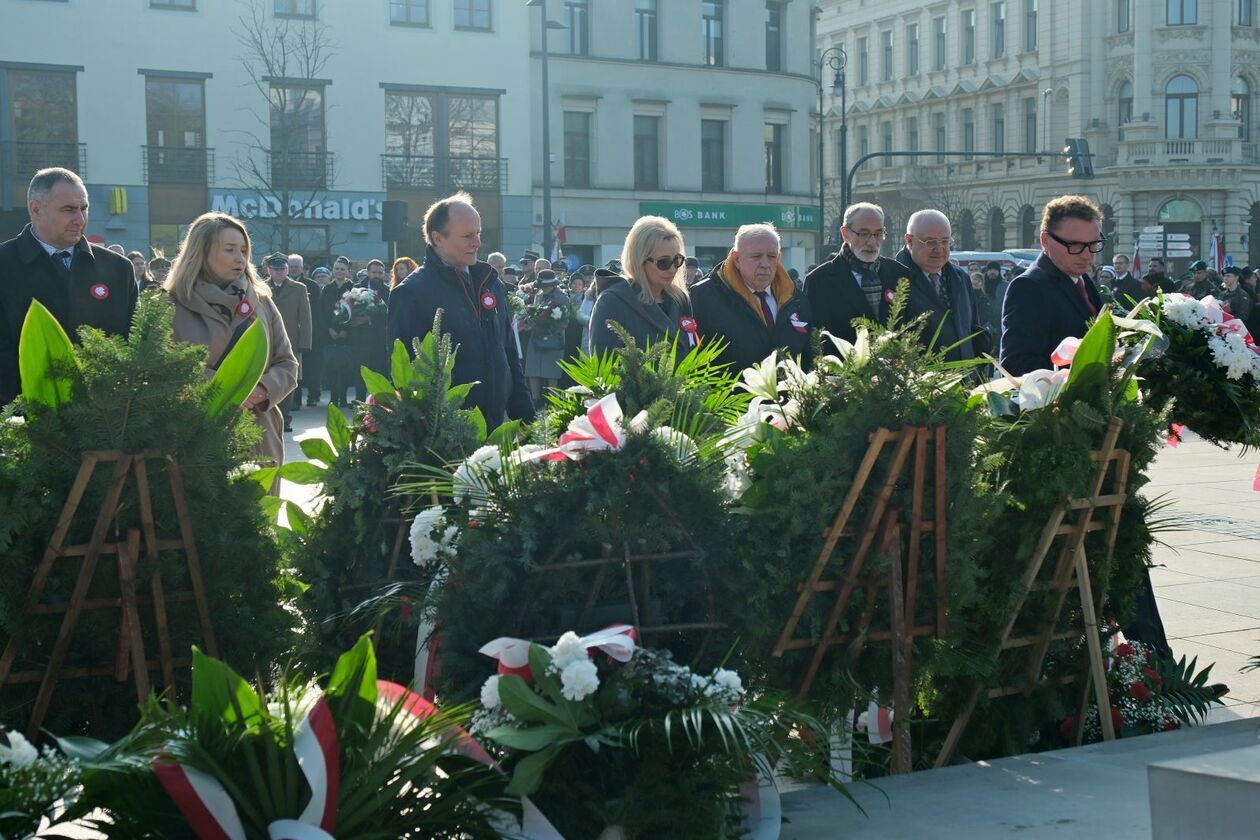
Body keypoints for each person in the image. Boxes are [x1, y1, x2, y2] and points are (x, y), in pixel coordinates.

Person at [165, 213, 297, 478]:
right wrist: (228, 389)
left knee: (261, 514)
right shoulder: (170, 305)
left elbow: (287, 363)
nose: (241, 258)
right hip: (199, 434)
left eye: (244, 250)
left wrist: (260, 389)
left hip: (259, 432)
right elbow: (165, 368)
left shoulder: (261, 302)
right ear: (201, 252)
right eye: (230, 250)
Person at [387, 192, 534, 426]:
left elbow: (508, 354)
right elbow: (406, 376)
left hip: (495, 429)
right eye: (467, 236)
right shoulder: (412, 293)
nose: (477, 243)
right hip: (445, 437)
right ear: (438, 238)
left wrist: (528, 420)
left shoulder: (491, 283)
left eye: (478, 233)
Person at [0, 168, 137, 405]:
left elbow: (134, 346)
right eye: (68, 210)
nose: (80, 220)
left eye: (84, 208)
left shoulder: (118, 270)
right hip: (23, 423)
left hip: (106, 421)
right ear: (36, 209)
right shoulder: (4, 265)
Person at [999, 195, 1107, 376]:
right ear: (1045, 241)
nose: (1087, 255)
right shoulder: (1028, 287)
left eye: (1094, 244)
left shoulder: (1083, 280)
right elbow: (1015, 365)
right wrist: (1079, 375)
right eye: (1075, 245)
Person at [690, 223, 812, 374]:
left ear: (779, 257)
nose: (765, 264)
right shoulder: (703, 297)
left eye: (772, 256)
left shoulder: (796, 300)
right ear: (736, 259)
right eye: (756, 256)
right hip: (730, 396)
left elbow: (808, 356)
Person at [587, 215, 697, 356]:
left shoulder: (680, 299)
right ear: (639, 260)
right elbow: (603, 369)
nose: (673, 269)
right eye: (663, 262)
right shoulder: (613, 301)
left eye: (678, 260)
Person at [895, 209, 991, 362]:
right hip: (919, 383)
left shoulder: (961, 278)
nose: (939, 250)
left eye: (945, 241)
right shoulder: (894, 279)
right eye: (931, 242)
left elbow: (972, 330)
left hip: (963, 382)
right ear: (909, 241)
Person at [806, 202, 903, 344]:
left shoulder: (899, 274)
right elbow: (816, 342)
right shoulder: (819, 281)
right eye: (864, 234)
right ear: (845, 234)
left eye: (878, 233)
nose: (872, 242)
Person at [262, 253, 312, 431]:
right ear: (268, 270)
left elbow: (305, 317)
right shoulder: (260, 287)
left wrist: (305, 343)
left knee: (289, 380)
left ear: (287, 270)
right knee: (266, 379)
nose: (279, 272)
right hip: (265, 340)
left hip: (291, 341)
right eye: (275, 269)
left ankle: (286, 420)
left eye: (282, 269)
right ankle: (268, 418)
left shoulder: (299, 288)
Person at [523, 269, 571, 400]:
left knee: (551, 372)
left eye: (544, 286)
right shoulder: (538, 295)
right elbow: (534, 313)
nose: (542, 288)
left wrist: (550, 321)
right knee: (533, 370)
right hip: (536, 335)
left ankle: (553, 401)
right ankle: (535, 400)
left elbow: (565, 320)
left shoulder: (562, 297)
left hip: (554, 337)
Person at [319, 256, 357, 406]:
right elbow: (321, 312)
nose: (339, 271)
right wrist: (329, 329)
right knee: (332, 367)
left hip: (348, 334)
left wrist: (346, 330)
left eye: (342, 269)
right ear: (332, 271)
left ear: (347, 271)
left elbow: (356, 311)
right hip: (330, 334)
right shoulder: (327, 289)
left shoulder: (354, 288)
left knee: (346, 367)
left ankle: (343, 398)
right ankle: (334, 398)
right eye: (336, 269)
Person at [355, 258, 391, 380]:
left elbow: (389, 315)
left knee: (379, 376)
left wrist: (370, 319)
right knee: (360, 376)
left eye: (380, 273)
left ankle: (379, 400)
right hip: (360, 339)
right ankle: (358, 399)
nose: (377, 275)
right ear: (368, 273)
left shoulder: (389, 292)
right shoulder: (356, 289)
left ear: (384, 274)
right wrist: (355, 320)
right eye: (374, 272)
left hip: (380, 341)